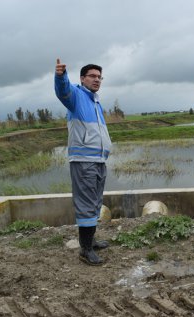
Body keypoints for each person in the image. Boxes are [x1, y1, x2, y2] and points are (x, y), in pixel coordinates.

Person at [55, 58, 112, 265]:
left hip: (97, 160)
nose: (97, 80)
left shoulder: (95, 101)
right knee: (87, 203)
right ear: (82, 78)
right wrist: (61, 77)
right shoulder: (77, 96)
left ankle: (91, 241)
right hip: (84, 160)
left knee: (95, 202)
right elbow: (63, 91)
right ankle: (85, 250)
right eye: (92, 76)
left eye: (99, 77)